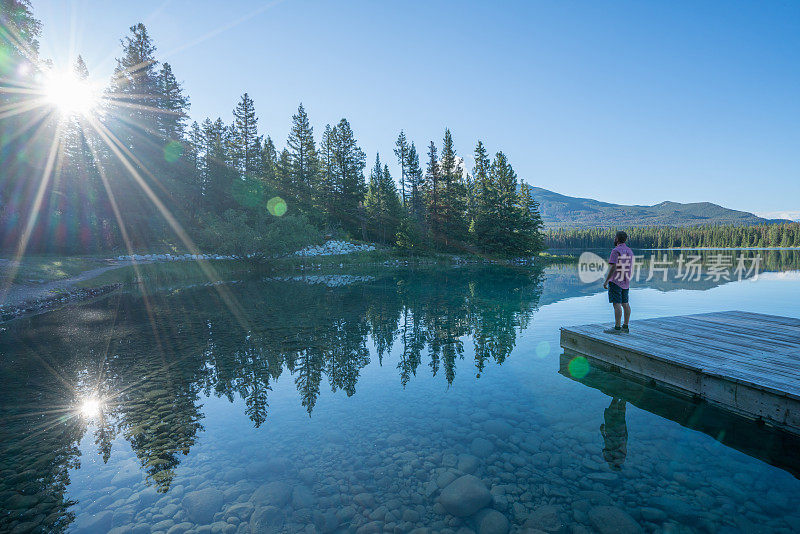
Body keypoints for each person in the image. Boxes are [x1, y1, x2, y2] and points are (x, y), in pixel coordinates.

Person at [603, 230, 633, 333]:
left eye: (615, 237)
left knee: (617, 304)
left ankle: (617, 328)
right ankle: (625, 327)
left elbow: (613, 267)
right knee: (625, 303)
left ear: (616, 239)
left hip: (615, 281)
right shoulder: (629, 251)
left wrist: (606, 281)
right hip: (626, 281)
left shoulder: (615, 251)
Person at [600, 397, 628, 470]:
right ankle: (617, 394)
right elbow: (607, 442)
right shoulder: (609, 457)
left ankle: (625, 395)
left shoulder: (623, 456)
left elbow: (625, 439)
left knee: (621, 411)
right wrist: (602, 432)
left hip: (621, 431)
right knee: (611, 412)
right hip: (612, 430)